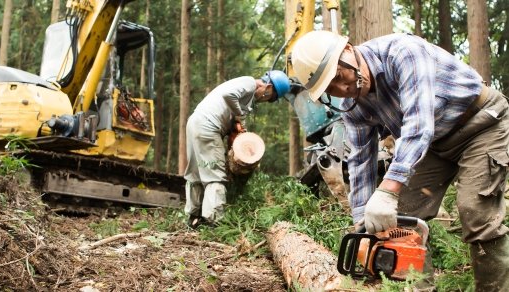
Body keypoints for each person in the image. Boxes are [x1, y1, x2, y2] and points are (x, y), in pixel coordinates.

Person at [291, 30, 509, 291]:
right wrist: (364, 223)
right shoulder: (352, 106)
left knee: (475, 212)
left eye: (339, 77)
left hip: (480, 125)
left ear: (348, 50)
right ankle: (420, 288)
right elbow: (361, 161)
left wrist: (388, 190)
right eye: (330, 89)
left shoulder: (402, 52)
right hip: (433, 145)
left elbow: (419, 125)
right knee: (400, 220)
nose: (343, 90)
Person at [184, 70, 291, 229]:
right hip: (208, 127)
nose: (265, 100)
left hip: (195, 122)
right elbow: (228, 96)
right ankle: (213, 221)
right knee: (215, 176)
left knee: (195, 173)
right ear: (268, 87)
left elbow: (234, 119)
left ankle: (193, 217)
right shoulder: (249, 83)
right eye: (269, 98)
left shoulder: (245, 96)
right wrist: (239, 114)